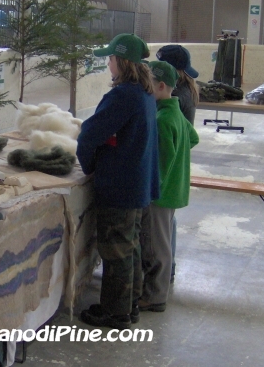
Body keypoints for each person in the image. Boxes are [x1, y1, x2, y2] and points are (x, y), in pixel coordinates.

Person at [76, 33, 160, 330]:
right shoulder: (145, 93)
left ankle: (115, 313)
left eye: (110, 58)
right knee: (131, 246)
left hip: (120, 185)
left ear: (121, 62)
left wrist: (88, 165)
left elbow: (89, 134)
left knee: (116, 250)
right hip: (138, 183)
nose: (108, 63)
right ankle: (130, 304)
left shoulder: (123, 96)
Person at [139, 61, 199, 313]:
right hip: (175, 188)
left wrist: (150, 190)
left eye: (147, 85)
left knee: (155, 247)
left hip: (160, 195)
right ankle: (155, 291)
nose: (144, 90)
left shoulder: (163, 119)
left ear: (161, 86)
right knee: (160, 242)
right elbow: (193, 138)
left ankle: (155, 296)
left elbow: (160, 165)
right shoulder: (175, 112)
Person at [156, 44, 200, 283]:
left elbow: (177, 137)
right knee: (167, 222)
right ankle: (168, 267)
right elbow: (191, 137)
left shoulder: (174, 100)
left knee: (161, 228)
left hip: (168, 170)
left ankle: (164, 273)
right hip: (177, 166)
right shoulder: (186, 90)